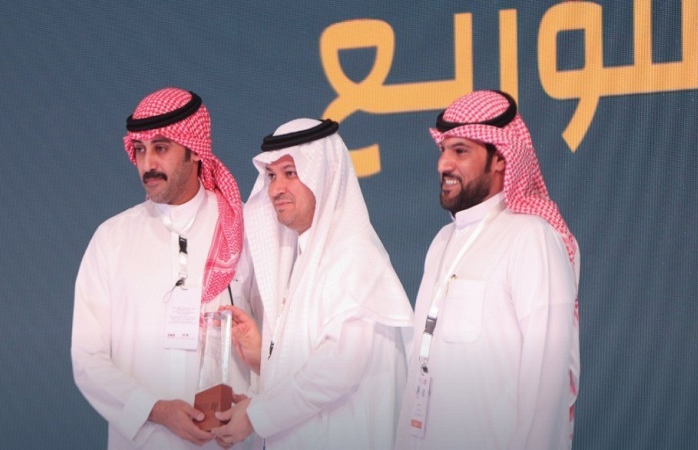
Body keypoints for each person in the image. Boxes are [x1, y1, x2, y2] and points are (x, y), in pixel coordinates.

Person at [211, 118, 414, 449]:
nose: (275, 189)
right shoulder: (304, 258)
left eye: (290, 173)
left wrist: (256, 415)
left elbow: (337, 368)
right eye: (271, 175)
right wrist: (264, 361)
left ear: (324, 176)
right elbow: (310, 361)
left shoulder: (354, 257)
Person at [395, 90, 581, 449]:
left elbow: (547, 387)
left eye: (460, 151)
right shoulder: (442, 242)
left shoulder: (532, 238)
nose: (443, 164)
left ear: (500, 158)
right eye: (443, 150)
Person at [71, 88, 255, 449]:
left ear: (195, 150)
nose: (148, 164)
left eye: (161, 148)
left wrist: (258, 409)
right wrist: (154, 409)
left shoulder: (245, 230)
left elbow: (277, 345)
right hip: (145, 439)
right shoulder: (112, 239)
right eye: (140, 150)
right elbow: (88, 358)